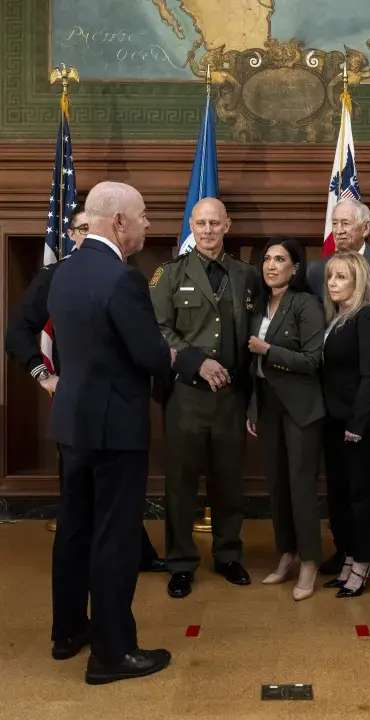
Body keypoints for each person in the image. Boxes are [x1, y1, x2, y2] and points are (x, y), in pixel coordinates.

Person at [48, 182, 174, 684]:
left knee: (75, 530)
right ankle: (112, 653)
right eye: (143, 216)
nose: (148, 224)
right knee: (115, 539)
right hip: (115, 427)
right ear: (119, 221)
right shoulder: (123, 279)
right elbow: (147, 354)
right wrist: (181, 361)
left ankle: (68, 632)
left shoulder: (63, 271)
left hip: (73, 422)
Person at [4, 204, 166, 575]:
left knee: (107, 511)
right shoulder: (57, 276)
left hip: (101, 411)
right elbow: (17, 332)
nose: (81, 236)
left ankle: (125, 565)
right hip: (83, 412)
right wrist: (42, 375)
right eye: (77, 229)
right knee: (86, 514)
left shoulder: (121, 274)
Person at [150, 197, 259, 599]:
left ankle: (229, 554)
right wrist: (196, 363)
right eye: (201, 223)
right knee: (180, 483)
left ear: (227, 225)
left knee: (229, 481)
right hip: (187, 395)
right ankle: (180, 562)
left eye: (215, 222)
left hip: (231, 394)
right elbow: (158, 327)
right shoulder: (169, 274)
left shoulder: (247, 275)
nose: (209, 230)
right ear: (191, 227)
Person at [309, 198, 370, 581]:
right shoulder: (320, 278)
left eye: (347, 222)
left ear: (366, 226)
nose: (341, 228)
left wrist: (364, 416)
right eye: (335, 222)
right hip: (336, 411)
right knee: (344, 489)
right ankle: (349, 552)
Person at [246, 237, 324, 601]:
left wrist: (269, 350)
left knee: (300, 487)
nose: (271, 265)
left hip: (301, 408)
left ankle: (309, 561)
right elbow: (251, 367)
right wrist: (252, 409)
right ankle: (287, 554)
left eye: (280, 259)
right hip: (268, 405)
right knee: (276, 486)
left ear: (296, 267)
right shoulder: (259, 304)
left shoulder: (305, 303)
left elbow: (312, 360)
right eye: (267, 259)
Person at [321, 252, 370, 598]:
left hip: (360, 424)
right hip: (335, 422)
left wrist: (358, 422)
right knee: (342, 495)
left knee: (362, 496)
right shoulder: (338, 318)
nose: (333, 283)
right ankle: (349, 558)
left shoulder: (369, 317)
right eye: (331, 277)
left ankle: (363, 564)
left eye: (341, 277)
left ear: (358, 280)